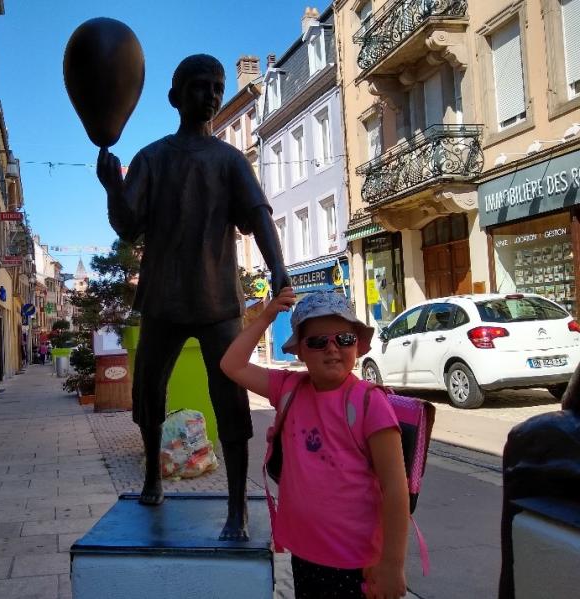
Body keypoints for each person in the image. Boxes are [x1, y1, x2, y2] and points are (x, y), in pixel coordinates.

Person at [97, 54, 290, 541]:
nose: (211, 95)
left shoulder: (229, 160)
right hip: (163, 297)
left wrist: (280, 268)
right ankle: (152, 477)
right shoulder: (151, 158)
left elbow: (260, 215)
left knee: (230, 399)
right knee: (147, 391)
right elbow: (126, 225)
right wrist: (111, 187)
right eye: (201, 86)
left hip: (217, 300)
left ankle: (236, 506)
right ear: (175, 96)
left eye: (218, 87)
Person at [220, 289, 409, 599]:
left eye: (343, 339)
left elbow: (395, 488)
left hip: (356, 562)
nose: (332, 349)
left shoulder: (369, 403)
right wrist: (266, 316)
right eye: (318, 342)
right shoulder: (289, 388)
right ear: (300, 351)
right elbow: (232, 364)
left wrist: (392, 563)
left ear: (357, 345)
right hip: (305, 554)